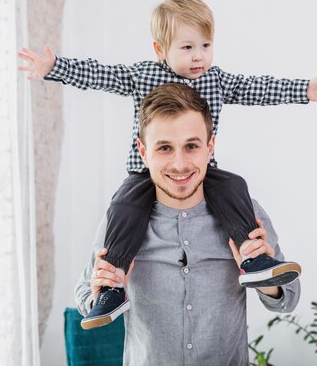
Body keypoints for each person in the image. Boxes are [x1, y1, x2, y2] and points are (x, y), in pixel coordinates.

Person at [19, 0, 317, 329]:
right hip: (144, 176)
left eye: (205, 46)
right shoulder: (144, 76)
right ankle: (112, 287)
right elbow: (102, 75)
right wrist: (55, 68)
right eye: (187, 48)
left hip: (208, 174)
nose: (198, 57)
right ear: (160, 50)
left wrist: (303, 90)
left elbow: (257, 88)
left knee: (234, 184)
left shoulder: (216, 80)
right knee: (124, 206)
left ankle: (254, 261)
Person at [74, 83, 301, 366]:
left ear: (210, 147)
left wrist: (267, 281)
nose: (179, 164)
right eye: (165, 148)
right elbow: (85, 295)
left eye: (191, 146)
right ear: (143, 152)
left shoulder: (246, 213)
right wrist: (97, 290)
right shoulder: (119, 220)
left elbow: (288, 298)